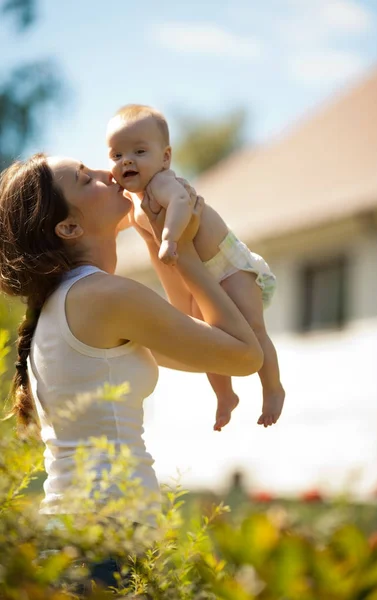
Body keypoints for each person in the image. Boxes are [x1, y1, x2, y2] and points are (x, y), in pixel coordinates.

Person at [0, 153, 263, 591]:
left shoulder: (75, 300)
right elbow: (243, 354)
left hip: (86, 540)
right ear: (69, 228)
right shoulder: (102, 296)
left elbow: (185, 326)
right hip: (105, 547)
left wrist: (158, 238)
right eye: (87, 180)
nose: (109, 173)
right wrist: (191, 255)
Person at [107, 104, 285, 431]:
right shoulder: (135, 202)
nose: (126, 161)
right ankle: (225, 394)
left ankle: (273, 388)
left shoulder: (162, 184)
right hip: (202, 275)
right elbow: (117, 223)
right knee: (209, 340)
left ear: (165, 157)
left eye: (139, 151)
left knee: (253, 330)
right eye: (116, 155)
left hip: (229, 265)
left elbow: (180, 205)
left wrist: (171, 239)